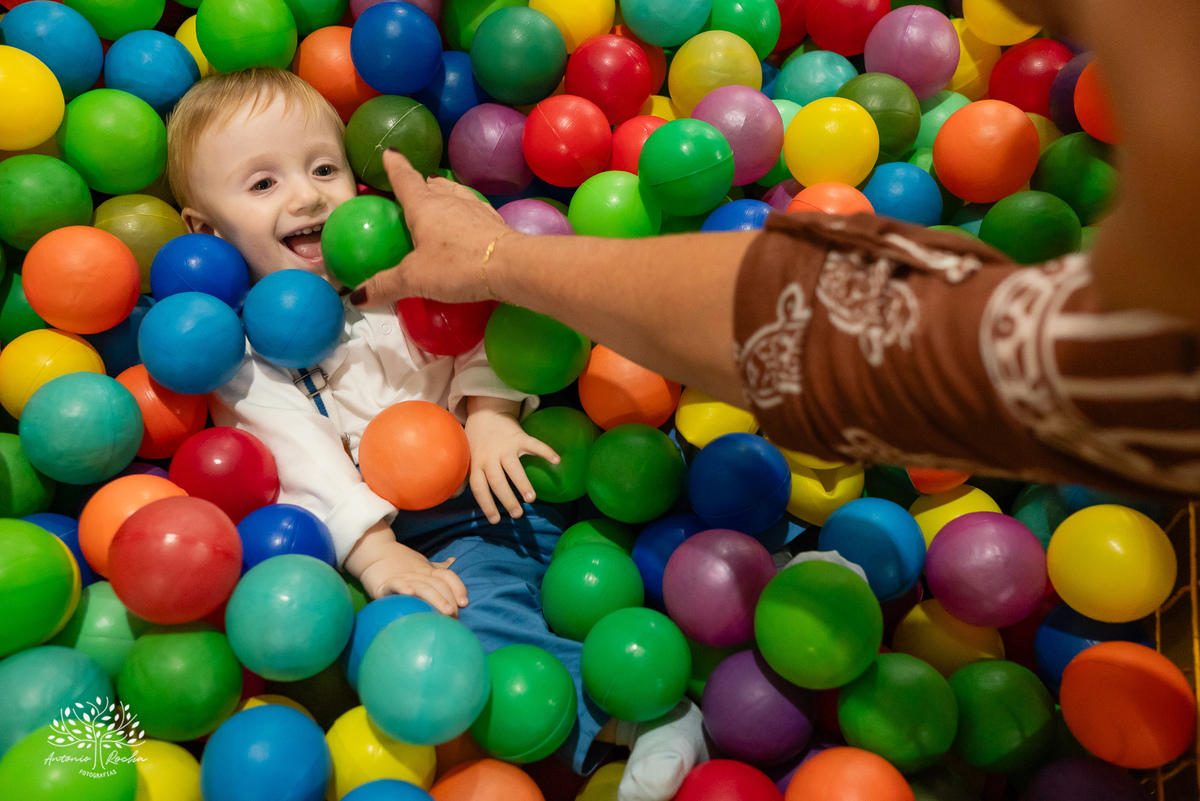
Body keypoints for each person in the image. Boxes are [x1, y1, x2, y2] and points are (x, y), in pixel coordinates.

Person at [351, 0, 1200, 500]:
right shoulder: (1138, 358)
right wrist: (498, 259)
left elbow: (809, 330)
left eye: (1093, 28)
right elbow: (837, 331)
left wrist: (500, 259)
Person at [167, 68, 707, 800]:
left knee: (670, 487)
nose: (306, 195)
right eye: (262, 185)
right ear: (206, 232)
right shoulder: (243, 358)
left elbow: (490, 325)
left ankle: (782, 565)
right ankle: (639, 713)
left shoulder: (403, 270)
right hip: (440, 537)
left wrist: (489, 417)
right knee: (456, 631)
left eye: (324, 168)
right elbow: (300, 462)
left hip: (527, 469)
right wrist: (375, 550)